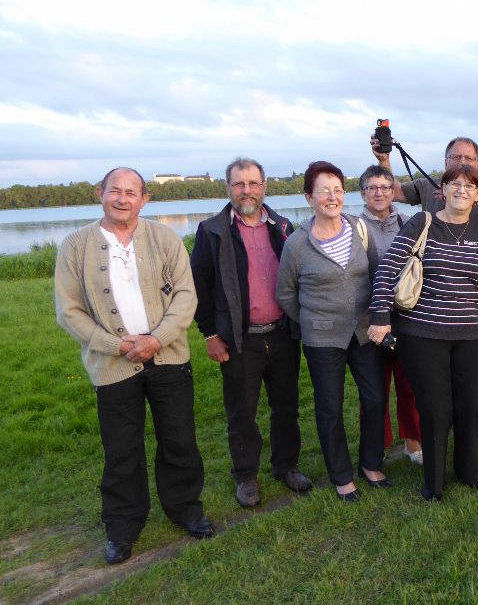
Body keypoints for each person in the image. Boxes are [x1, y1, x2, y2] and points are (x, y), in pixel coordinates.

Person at [54, 167, 213, 566]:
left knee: (179, 440)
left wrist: (156, 339)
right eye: (114, 191)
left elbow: (185, 295)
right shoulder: (75, 245)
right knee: (121, 450)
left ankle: (186, 510)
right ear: (99, 194)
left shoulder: (165, 238)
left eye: (131, 192)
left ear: (144, 199)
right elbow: (68, 311)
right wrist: (117, 344)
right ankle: (123, 526)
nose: (122, 199)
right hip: (113, 365)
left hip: (169, 357)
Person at [367, 165, 478, 501]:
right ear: (442, 190)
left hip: (471, 334)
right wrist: (380, 315)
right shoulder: (422, 223)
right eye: (453, 184)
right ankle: (434, 481)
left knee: (472, 405)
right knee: (435, 408)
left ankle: (469, 470)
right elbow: (388, 268)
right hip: (423, 333)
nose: (461, 190)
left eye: (469, 186)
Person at [190, 157, 312, 509]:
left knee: (286, 406)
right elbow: (200, 285)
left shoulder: (284, 226)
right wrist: (210, 334)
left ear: (264, 187)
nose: (247, 190)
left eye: (253, 183)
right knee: (242, 412)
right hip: (239, 339)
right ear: (228, 188)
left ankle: (286, 467)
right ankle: (245, 476)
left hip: (283, 334)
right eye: (239, 184)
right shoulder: (212, 231)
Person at [276, 161, 388, 502]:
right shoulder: (296, 244)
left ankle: (371, 463)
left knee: (375, 398)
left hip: (363, 332)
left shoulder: (358, 229)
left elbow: (373, 272)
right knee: (330, 408)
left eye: (338, 189)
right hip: (322, 339)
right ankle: (341, 476)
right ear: (309, 197)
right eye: (324, 190)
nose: (332, 196)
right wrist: (314, 320)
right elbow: (285, 294)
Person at [357, 164, 423, 464]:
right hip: (370, 319)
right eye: (372, 187)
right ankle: (379, 446)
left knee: (409, 385)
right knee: (375, 388)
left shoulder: (410, 223)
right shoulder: (353, 228)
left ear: (393, 191)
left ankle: (413, 442)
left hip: (407, 317)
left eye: (385, 187)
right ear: (363, 193)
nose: (379, 193)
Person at [371, 134, 478, 224]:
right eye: (455, 157)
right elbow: (393, 192)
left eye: (469, 158)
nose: (462, 162)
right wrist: (384, 160)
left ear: (477, 164)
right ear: (446, 162)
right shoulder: (428, 184)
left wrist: (453, 198)